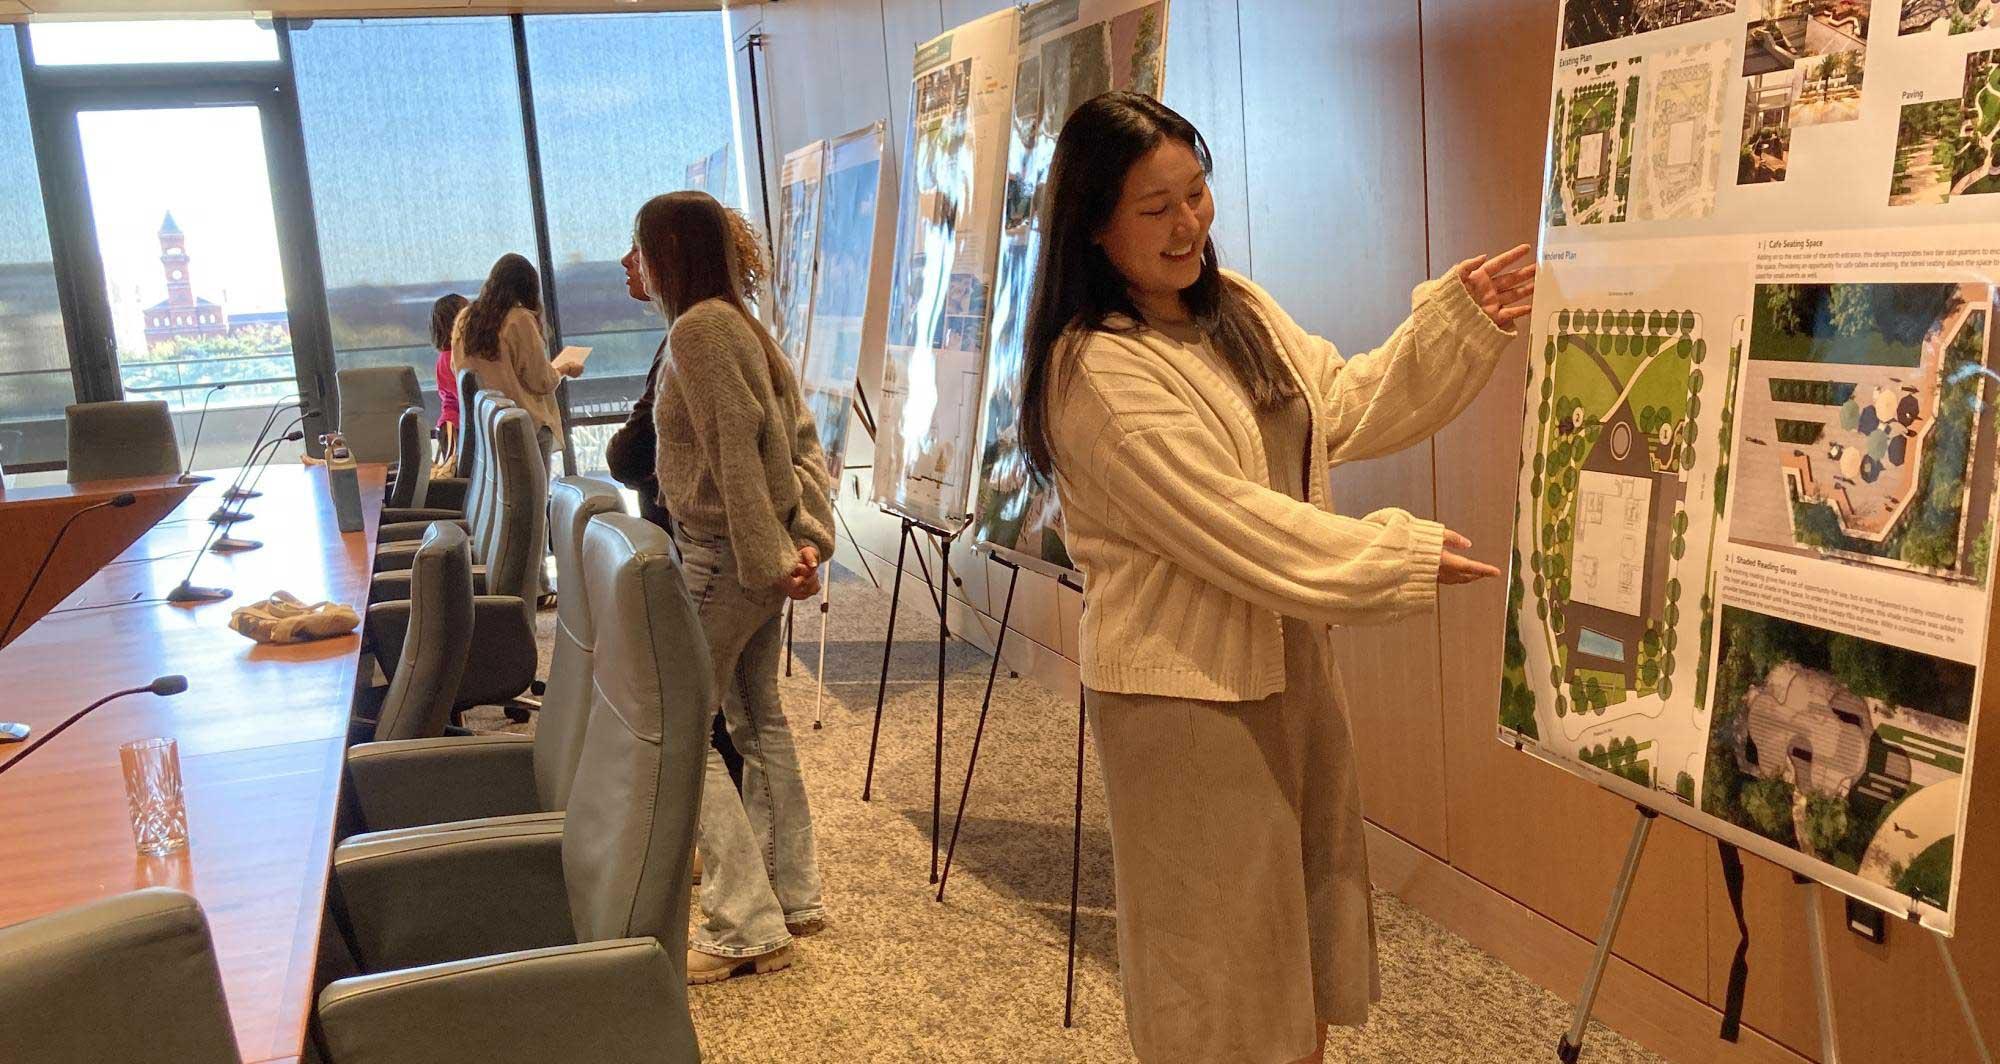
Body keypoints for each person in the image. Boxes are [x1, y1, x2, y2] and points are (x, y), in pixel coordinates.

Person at [1017, 92, 1534, 1064]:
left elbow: (1336, 402)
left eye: (1196, 193)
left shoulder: (1233, 309)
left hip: (1288, 660)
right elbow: (1233, 525)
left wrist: (1451, 329)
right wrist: (1392, 556)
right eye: (1154, 206)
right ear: (1092, 225)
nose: (1188, 226)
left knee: (1303, 929)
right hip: (1182, 699)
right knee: (1219, 969)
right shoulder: (1093, 372)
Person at [637, 190, 834, 984]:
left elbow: (737, 456)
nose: (638, 268)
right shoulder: (739, 322)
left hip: (726, 561)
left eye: (641, 250)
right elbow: (798, 444)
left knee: (684, 722)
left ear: (667, 254)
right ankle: (791, 895)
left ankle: (745, 923)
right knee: (756, 715)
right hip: (750, 557)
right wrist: (802, 543)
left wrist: (769, 560)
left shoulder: (700, 329)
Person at [605, 234, 747, 788]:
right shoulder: (706, 334)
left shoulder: (689, 341)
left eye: (638, 246)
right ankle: (753, 855)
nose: (625, 261)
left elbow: (629, 453)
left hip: (703, 552)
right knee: (741, 712)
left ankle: (733, 857)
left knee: (694, 710)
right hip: (699, 545)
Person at [451, 252, 580, 464]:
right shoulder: (519, 320)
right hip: (524, 426)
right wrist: (564, 369)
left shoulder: (464, 320)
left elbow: (458, 370)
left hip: (486, 428)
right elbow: (541, 381)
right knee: (535, 496)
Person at [429, 293, 469, 471]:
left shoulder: (444, 357)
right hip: (456, 428)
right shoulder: (453, 358)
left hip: (451, 426)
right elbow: (466, 396)